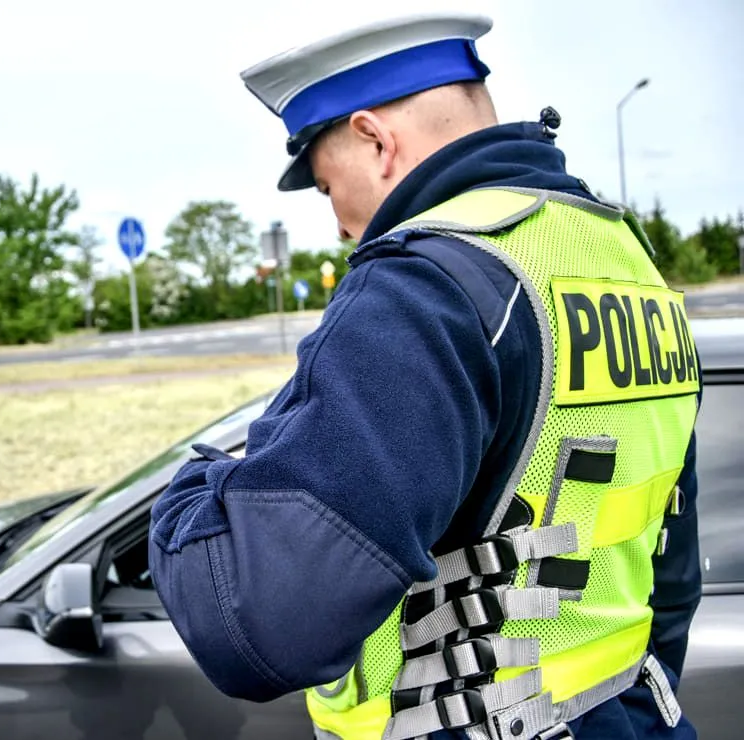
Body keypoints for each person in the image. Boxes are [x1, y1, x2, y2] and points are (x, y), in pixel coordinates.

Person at [149, 12, 702, 740]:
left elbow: (268, 626)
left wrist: (187, 494)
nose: (342, 226)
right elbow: (671, 576)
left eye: (324, 187)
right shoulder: (620, 256)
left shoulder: (424, 287)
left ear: (375, 140)